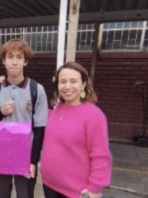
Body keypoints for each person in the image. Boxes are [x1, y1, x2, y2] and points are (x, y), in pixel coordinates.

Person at [0, 38, 48, 198]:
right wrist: (0, 112)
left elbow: (40, 129)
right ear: (3, 61)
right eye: (10, 57)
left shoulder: (36, 89)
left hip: (25, 154)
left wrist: (33, 161)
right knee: (2, 195)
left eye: (19, 57)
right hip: (0, 154)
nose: (14, 62)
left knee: (25, 195)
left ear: (25, 61)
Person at [40, 61, 112, 198]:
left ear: (83, 84)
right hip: (49, 184)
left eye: (73, 81)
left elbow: (101, 156)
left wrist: (95, 188)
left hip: (75, 191)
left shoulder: (94, 116)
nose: (67, 86)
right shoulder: (59, 108)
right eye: (63, 82)